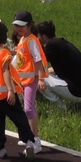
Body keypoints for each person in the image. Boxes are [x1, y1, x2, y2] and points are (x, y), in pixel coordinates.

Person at [0, 20, 36, 160]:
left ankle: (0, 149)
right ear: (4, 37)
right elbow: (6, 72)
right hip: (6, 94)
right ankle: (29, 141)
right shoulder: (5, 53)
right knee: (19, 118)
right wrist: (10, 90)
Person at [10, 10, 48, 154]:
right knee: (25, 109)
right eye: (16, 25)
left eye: (22, 25)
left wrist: (42, 79)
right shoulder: (23, 39)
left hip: (32, 79)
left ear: (30, 25)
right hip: (24, 80)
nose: (19, 28)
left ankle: (36, 141)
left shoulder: (32, 40)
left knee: (29, 108)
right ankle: (29, 137)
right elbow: (22, 57)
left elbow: (38, 61)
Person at [37, 20, 81, 107]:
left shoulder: (52, 46)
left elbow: (38, 66)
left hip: (76, 93)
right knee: (45, 74)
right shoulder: (61, 43)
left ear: (44, 37)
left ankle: (61, 108)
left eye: (38, 36)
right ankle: (80, 105)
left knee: (39, 78)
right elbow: (56, 69)